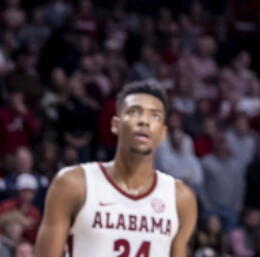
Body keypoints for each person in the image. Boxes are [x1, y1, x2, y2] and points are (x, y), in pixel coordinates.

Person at [34, 82, 197, 257]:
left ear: (163, 133)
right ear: (115, 125)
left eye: (155, 116)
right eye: (134, 112)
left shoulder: (180, 198)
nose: (144, 121)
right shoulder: (73, 183)